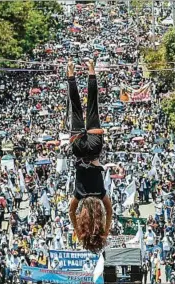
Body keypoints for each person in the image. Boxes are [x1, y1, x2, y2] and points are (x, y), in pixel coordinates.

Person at [67, 59, 112, 253]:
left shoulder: (101, 195)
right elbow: (70, 211)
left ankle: (91, 69)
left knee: (93, 106)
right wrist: (77, 230)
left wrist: (106, 231)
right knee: (76, 107)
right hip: (78, 148)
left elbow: (109, 211)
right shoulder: (79, 196)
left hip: (94, 147)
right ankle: (70, 72)